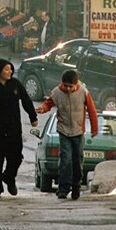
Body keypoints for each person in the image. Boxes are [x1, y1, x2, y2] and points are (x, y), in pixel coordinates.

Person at [0, 58, 38, 200]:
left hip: (14, 130)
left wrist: (33, 116)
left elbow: (26, 100)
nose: (10, 71)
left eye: (10, 69)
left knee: (16, 157)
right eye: (6, 69)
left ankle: (9, 177)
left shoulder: (15, 85)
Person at [37, 68, 98, 200]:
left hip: (78, 132)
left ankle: (76, 187)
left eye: (71, 86)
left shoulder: (83, 92)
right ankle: (63, 189)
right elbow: (48, 104)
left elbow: (92, 111)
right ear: (62, 84)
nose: (68, 89)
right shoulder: (56, 92)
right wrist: (42, 108)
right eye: (66, 86)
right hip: (64, 131)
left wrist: (94, 129)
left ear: (76, 84)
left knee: (77, 160)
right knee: (65, 159)